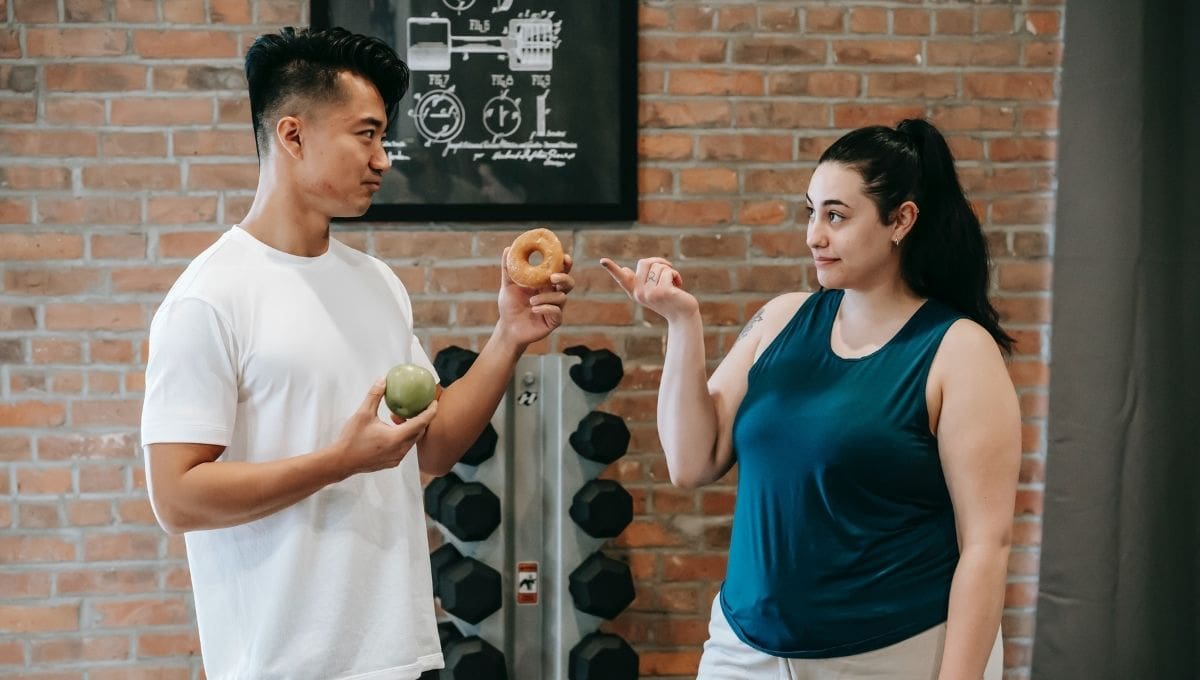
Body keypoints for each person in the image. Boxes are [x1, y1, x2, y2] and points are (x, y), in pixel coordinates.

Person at [140, 27, 574, 680]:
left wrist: (508, 336)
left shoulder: (375, 284)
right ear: (293, 136)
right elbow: (176, 499)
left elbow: (433, 445)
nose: (383, 159)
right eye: (366, 134)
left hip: (400, 655)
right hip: (285, 666)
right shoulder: (209, 297)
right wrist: (338, 463)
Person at [602, 119, 1019, 679]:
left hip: (893, 655)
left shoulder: (958, 351)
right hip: (745, 648)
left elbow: (986, 545)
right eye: (811, 211)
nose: (814, 235)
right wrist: (682, 322)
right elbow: (690, 461)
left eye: (837, 216)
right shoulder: (781, 319)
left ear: (901, 220)